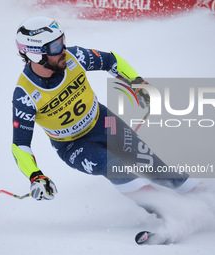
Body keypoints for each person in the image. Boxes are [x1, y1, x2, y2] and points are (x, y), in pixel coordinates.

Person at [12, 16, 199, 204]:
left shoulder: (75, 57)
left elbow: (111, 60)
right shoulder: (25, 95)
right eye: (55, 47)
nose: (63, 50)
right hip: (74, 146)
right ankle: (171, 211)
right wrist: (35, 176)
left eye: (62, 41)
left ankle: (207, 197)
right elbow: (20, 145)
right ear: (36, 54)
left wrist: (138, 84)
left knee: (150, 163)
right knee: (113, 166)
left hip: (104, 121)